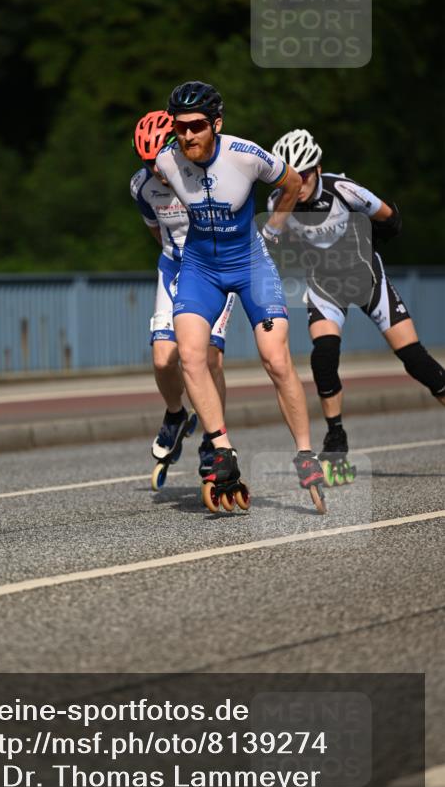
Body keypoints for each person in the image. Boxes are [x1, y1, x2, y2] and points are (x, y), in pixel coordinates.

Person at [155, 81, 324, 510]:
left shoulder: (245, 155)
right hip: (199, 268)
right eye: (180, 127)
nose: (187, 135)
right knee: (191, 355)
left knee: (275, 357)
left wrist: (274, 229)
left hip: (249, 264)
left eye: (196, 126)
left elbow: (290, 183)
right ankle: (222, 447)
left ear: (216, 123)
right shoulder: (166, 162)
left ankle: (305, 453)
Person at [269, 128, 445, 479]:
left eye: (305, 174)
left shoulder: (344, 190)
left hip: (367, 281)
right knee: (323, 358)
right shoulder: (277, 203)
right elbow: (273, 245)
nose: (298, 182)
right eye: (292, 175)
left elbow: (391, 219)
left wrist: (369, 242)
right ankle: (336, 439)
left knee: (415, 360)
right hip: (324, 286)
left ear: (318, 168)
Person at [132, 109, 235, 474]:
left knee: (209, 359)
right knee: (163, 358)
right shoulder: (141, 186)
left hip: (215, 269)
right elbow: (156, 229)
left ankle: (213, 439)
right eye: (147, 162)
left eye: (159, 159)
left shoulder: (205, 175)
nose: (157, 170)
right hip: (175, 267)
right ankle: (176, 416)